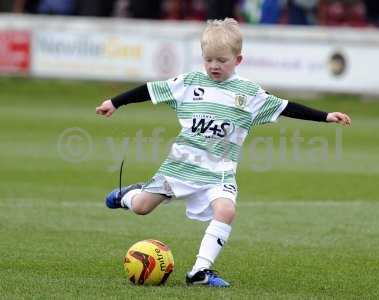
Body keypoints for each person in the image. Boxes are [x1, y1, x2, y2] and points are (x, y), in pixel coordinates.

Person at [96, 18, 351, 287]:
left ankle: (200, 271)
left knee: (226, 210)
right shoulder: (189, 83)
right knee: (141, 208)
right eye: (208, 60)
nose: (214, 66)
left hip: (219, 171)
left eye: (221, 60)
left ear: (238, 60)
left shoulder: (249, 93)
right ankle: (128, 195)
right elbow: (149, 90)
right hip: (181, 166)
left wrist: (326, 116)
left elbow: (287, 107)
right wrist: (115, 102)